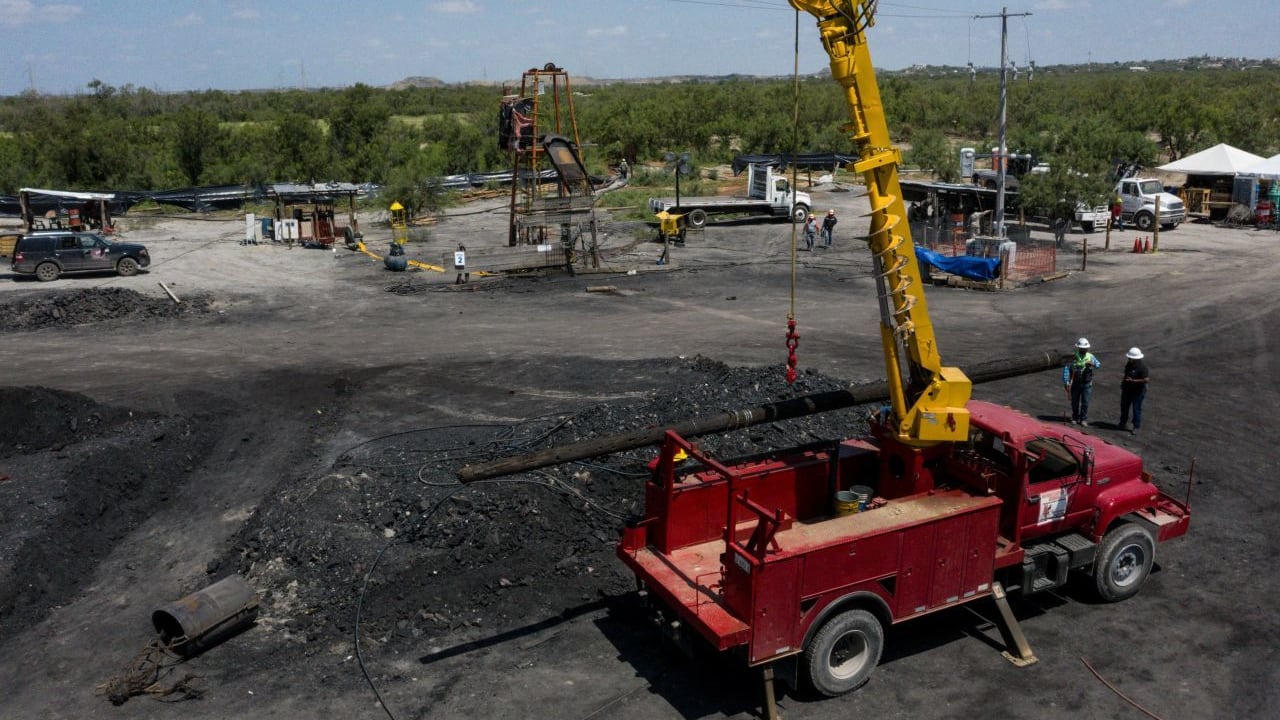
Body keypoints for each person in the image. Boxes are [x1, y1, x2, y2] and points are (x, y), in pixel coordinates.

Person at [1062, 337, 1101, 426]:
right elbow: (1066, 369)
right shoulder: (1073, 357)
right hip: (1075, 383)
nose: (1084, 350)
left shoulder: (1090, 356)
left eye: (1085, 348)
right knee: (1074, 401)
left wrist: (1093, 363)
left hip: (1086, 384)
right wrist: (1066, 382)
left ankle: (1083, 419)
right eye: (1082, 348)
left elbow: (1098, 365)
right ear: (1078, 348)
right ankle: (1075, 417)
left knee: (1085, 402)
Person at [1119, 347, 1149, 434]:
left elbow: (1146, 380)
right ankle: (1123, 422)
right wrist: (1123, 384)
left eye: (1130, 357)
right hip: (1127, 389)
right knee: (1124, 407)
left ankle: (1136, 426)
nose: (1129, 358)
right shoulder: (1129, 364)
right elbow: (1126, 374)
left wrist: (1133, 381)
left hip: (1138, 392)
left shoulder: (1143, 368)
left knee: (1136, 409)